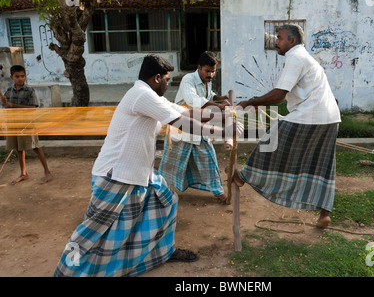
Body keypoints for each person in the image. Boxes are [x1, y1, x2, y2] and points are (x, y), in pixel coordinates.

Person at [53, 55, 242, 277]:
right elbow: (181, 123)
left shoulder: (149, 94)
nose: (168, 83)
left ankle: (163, 252)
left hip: (141, 173)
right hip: (115, 175)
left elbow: (184, 112)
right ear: (156, 78)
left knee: (167, 201)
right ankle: (66, 271)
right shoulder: (141, 96)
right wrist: (222, 132)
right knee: (92, 230)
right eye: (167, 80)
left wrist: (220, 116)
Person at [232, 24, 341, 228]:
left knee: (272, 139)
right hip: (330, 117)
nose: (276, 42)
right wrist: (260, 102)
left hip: (312, 115)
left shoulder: (295, 57)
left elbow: (279, 94)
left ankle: (244, 176)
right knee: (323, 164)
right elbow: (282, 97)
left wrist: (251, 102)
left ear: (292, 41)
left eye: (279, 38)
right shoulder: (303, 57)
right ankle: (324, 213)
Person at [158, 51, 231, 203]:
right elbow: (194, 100)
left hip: (196, 127)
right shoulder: (188, 79)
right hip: (181, 126)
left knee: (208, 158)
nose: (210, 74)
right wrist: (219, 106)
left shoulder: (206, 80)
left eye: (213, 71)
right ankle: (159, 189)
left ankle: (217, 191)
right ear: (199, 68)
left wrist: (219, 98)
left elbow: (208, 95)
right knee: (171, 162)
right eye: (208, 71)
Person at [0, 65, 53, 185]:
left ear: (25, 76)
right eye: (17, 76)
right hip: (14, 123)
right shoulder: (9, 91)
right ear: (11, 77)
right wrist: (6, 104)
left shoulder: (30, 91)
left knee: (36, 147)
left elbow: (33, 108)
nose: (20, 79)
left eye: (22, 76)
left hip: (27, 123)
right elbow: (7, 106)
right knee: (19, 148)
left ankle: (47, 171)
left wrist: (12, 105)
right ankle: (24, 173)